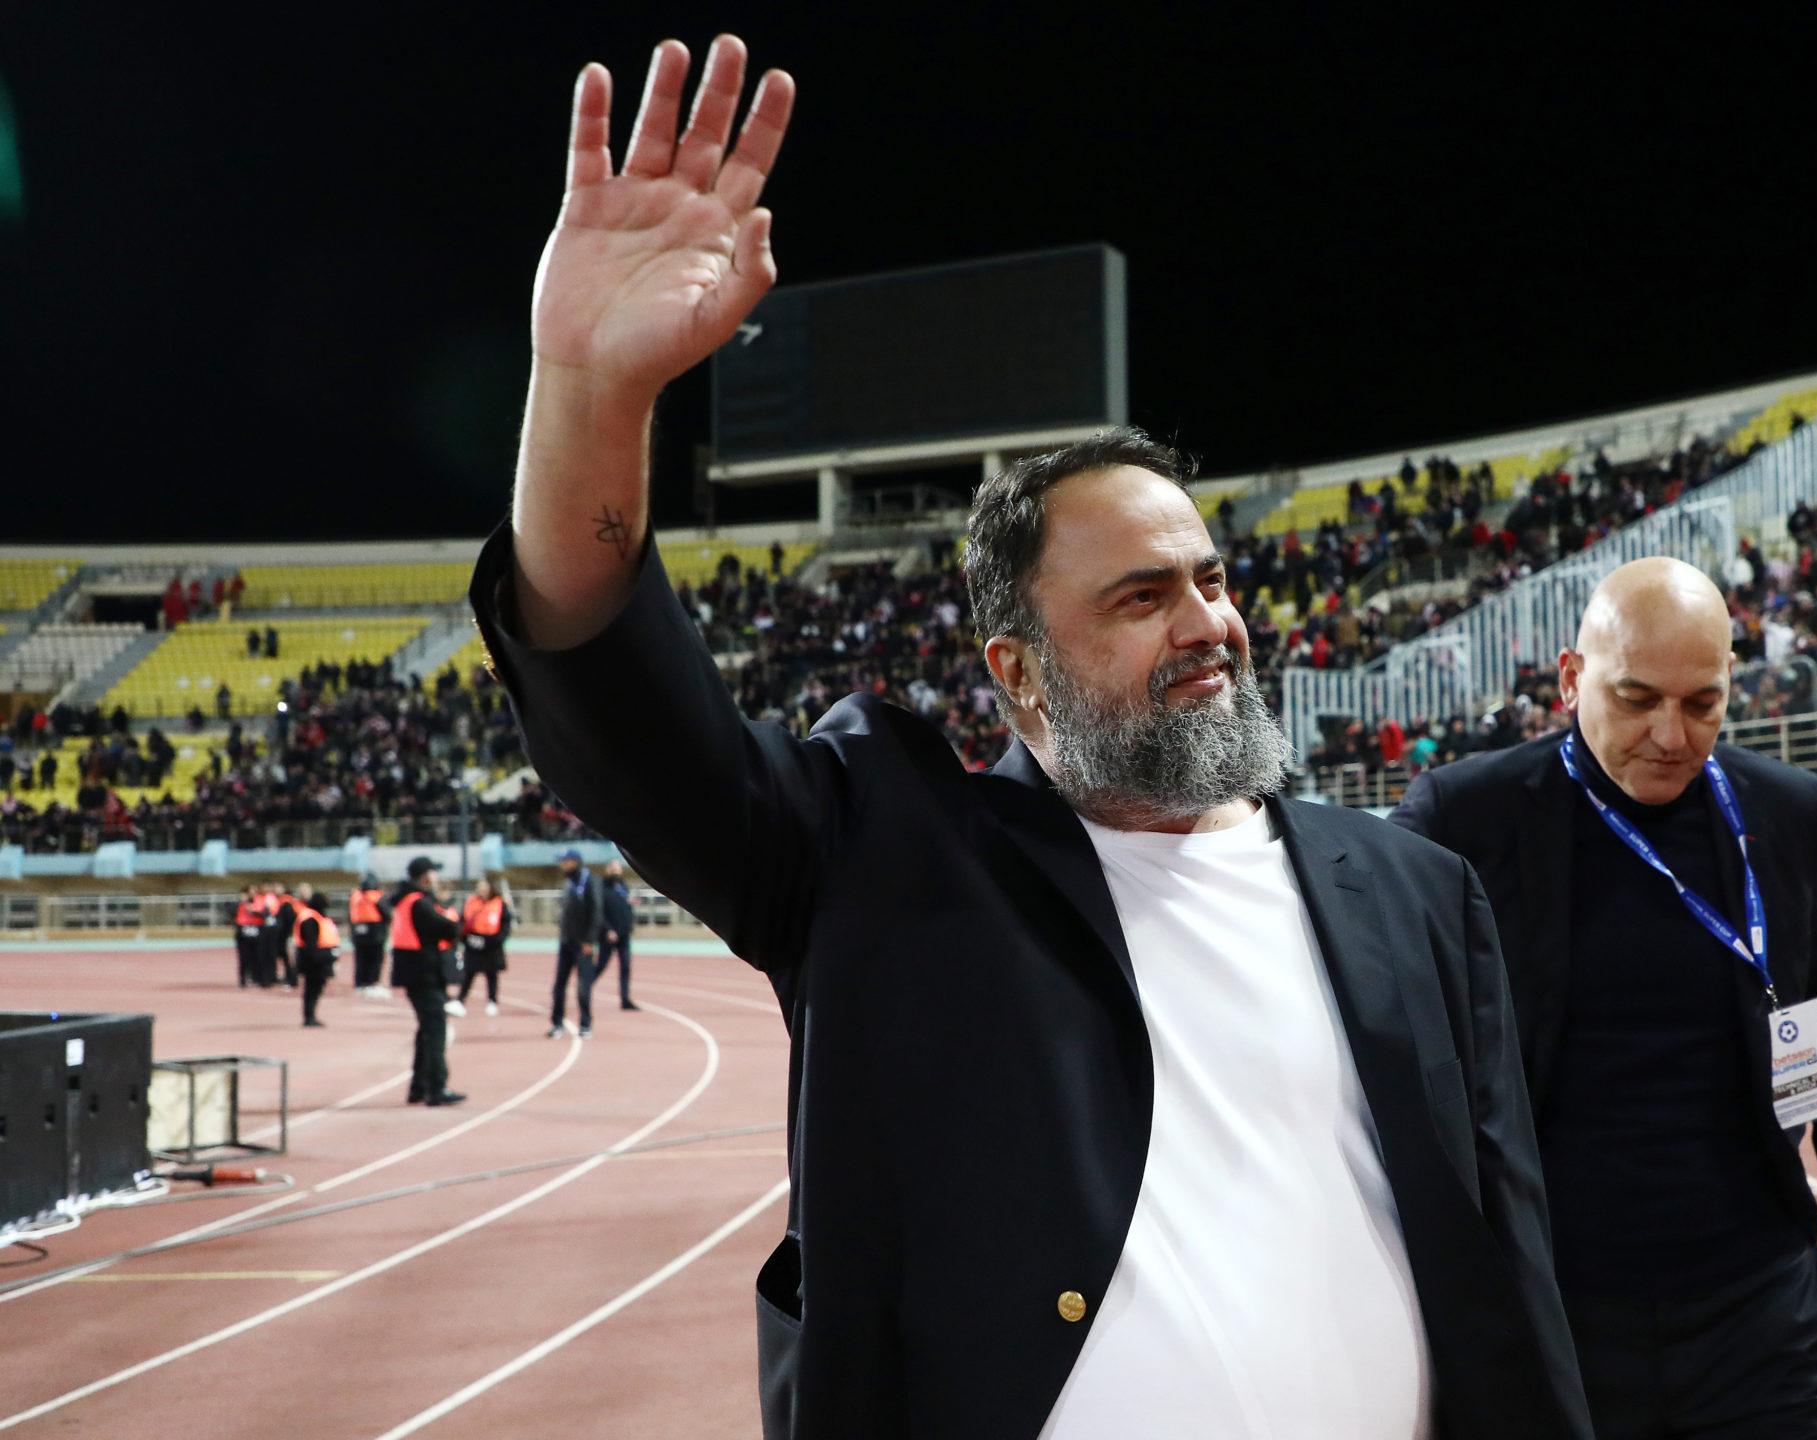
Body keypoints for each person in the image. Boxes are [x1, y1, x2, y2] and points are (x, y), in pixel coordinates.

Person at [470, 38, 1584, 1437]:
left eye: (1212, 580)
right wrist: (594, 391)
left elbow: (1509, 1278)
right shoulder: (883, 857)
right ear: (1020, 673)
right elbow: (619, 707)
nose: (1209, 624)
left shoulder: (1419, 894)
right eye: (1141, 597)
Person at [1393, 557, 1817, 1440]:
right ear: (1571, 679)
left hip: (1762, 1304)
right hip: (1555, 1308)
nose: (1670, 735)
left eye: (1703, 703)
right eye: (1636, 699)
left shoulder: (1787, 809)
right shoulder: (1464, 816)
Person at [388, 856, 465, 1106]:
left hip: (418, 974)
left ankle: (419, 1088)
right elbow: (447, 928)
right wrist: (456, 925)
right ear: (425, 876)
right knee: (435, 1031)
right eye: (434, 872)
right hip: (424, 974)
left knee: (426, 1032)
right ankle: (436, 1088)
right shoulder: (419, 903)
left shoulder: (408, 900)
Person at [548, 849, 603, 1038]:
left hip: (583, 944)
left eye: (564, 861)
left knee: (583, 987)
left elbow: (596, 911)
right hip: (566, 942)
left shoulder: (591, 881)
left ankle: (585, 1024)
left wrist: (590, 940)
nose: (561, 865)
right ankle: (557, 1023)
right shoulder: (568, 883)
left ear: (575, 861)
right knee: (559, 985)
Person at [459, 875, 513, 1016]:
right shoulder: (471, 902)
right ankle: (460, 1001)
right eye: (479, 886)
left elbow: (505, 925)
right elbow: (462, 921)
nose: (481, 889)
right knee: (469, 973)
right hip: (473, 943)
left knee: (492, 974)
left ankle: (492, 1001)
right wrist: (466, 939)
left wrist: (496, 940)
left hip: (492, 944)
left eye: (484, 886)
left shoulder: (499, 903)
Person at [289, 886, 341, 1028]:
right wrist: (320, 959)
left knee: (314, 988)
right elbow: (311, 942)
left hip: (318, 957)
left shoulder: (315, 916)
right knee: (312, 988)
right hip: (314, 960)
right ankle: (309, 1016)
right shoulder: (310, 918)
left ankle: (310, 1015)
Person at [597, 858, 638, 1011]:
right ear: (607, 869)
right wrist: (608, 929)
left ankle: (625, 999)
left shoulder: (622, 886)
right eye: (613, 867)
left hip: (623, 934)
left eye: (618, 867)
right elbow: (599, 912)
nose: (616, 870)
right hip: (608, 935)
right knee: (601, 965)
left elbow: (624, 906)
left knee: (626, 966)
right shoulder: (602, 888)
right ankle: (584, 989)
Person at [347, 874, 388, 996]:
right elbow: (387, 914)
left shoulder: (355, 897)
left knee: (360, 959)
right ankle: (372, 983)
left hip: (358, 932)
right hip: (375, 932)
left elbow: (350, 916)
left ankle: (360, 983)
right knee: (375, 959)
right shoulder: (376, 897)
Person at [232, 885, 264, 988]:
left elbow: (265, 914)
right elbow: (231, 912)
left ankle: (258, 978)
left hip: (256, 930)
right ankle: (243, 979)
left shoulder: (260, 902)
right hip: (243, 931)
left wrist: (254, 912)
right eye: (250, 892)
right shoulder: (240, 904)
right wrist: (241, 902)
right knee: (243, 957)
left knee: (257, 956)